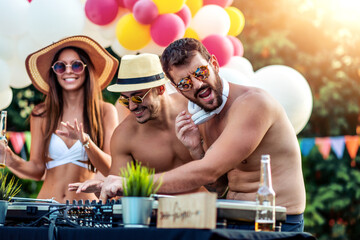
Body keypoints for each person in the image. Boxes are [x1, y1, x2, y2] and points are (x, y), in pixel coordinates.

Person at [99, 38, 306, 232]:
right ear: (177, 89)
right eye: (186, 83)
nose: (197, 85)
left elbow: (208, 171)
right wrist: (196, 150)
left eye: (200, 72)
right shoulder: (205, 115)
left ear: (214, 64)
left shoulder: (253, 103)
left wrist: (130, 183)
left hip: (277, 221)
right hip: (233, 219)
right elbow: (218, 186)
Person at [68, 53, 207, 196]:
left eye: (138, 97)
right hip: (157, 215)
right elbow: (120, 187)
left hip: (210, 209)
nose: (132, 106)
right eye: (125, 100)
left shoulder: (195, 109)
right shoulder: (124, 136)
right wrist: (105, 186)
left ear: (160, 89)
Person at [2, 35, 119, 203]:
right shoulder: (41, 113)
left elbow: (111, 169)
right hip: (46, 209)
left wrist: (86, 142)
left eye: (77, 65)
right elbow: (36, 170)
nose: (69, 71)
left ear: (87, 69)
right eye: (60, 66)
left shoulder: (106, 111)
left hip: (86, 211)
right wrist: (10, 159)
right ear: (54, 72)